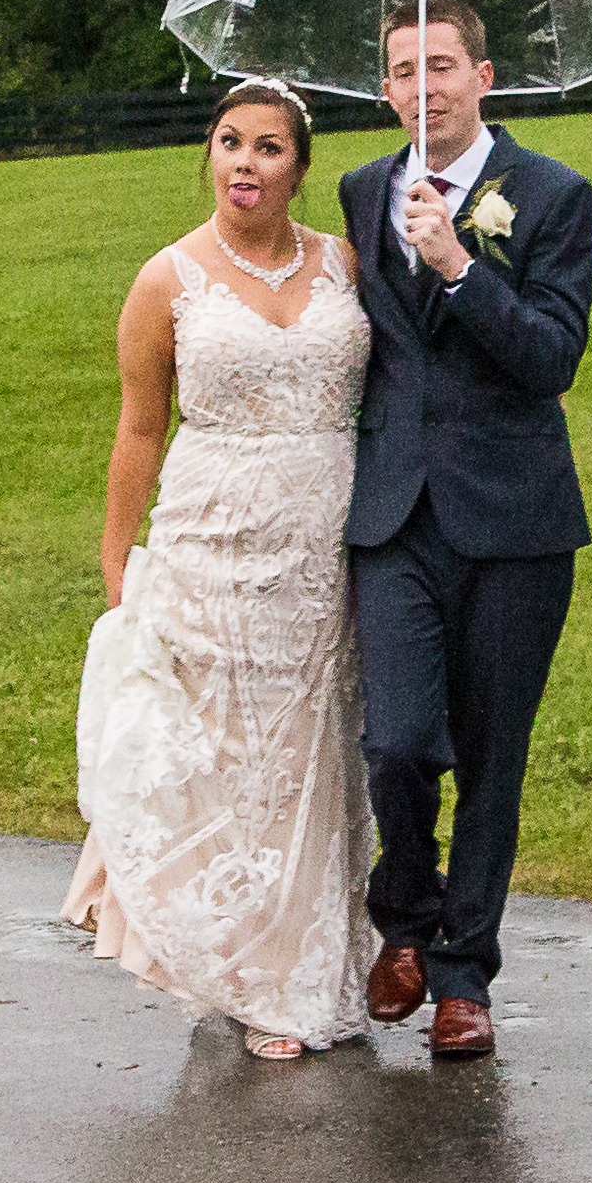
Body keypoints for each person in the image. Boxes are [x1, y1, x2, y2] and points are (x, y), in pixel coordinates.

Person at [62, 79, 376, 1058]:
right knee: (227, 759)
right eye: (230, 141)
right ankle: (246, 977)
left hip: (325, 543)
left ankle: (311, 965)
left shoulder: (346, 264)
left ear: (299, 166)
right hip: (211, 542)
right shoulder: (166, 279)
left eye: (268, 146)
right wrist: (117, 555)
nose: (245, 161)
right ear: (209, 154)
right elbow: (139, 427)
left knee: (313, 752)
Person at [340, 0, 592, 1061]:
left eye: (441, 65)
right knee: (398, 740)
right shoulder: (362, 191)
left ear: (482, 77)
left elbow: (550, 356)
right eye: (404, 70)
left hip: (514, 519)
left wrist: (457, 264)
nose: (423, 88)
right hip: (394, 514)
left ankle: (461, 975)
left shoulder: (552, 195)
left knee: (491, 755)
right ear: (385, 88)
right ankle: (404, 910)